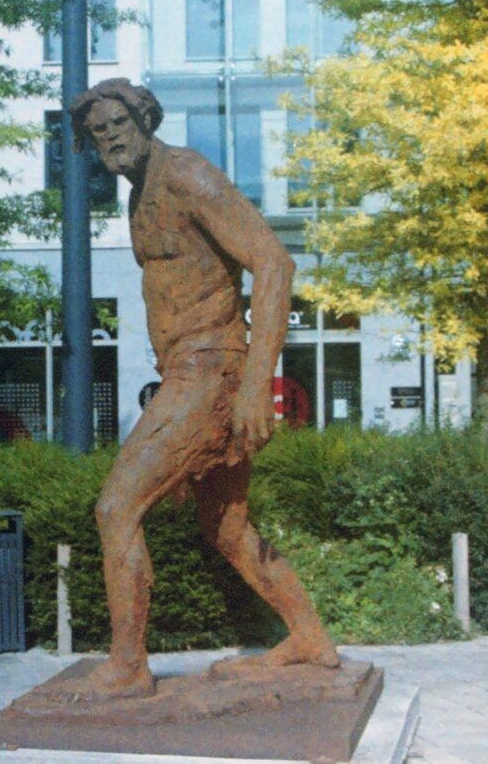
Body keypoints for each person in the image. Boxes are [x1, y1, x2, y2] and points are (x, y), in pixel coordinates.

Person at [65, 78, 339, 700]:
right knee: (225, 527)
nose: (108, 138)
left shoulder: (188, 175)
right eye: (96, 132)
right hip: (187, 373)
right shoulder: (140, 196)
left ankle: (129, 667)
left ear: (144, 119)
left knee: (117, 509)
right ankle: (309, 639)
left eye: (117, 124)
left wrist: (256, 389)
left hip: (210, 373)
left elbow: (273, 261)